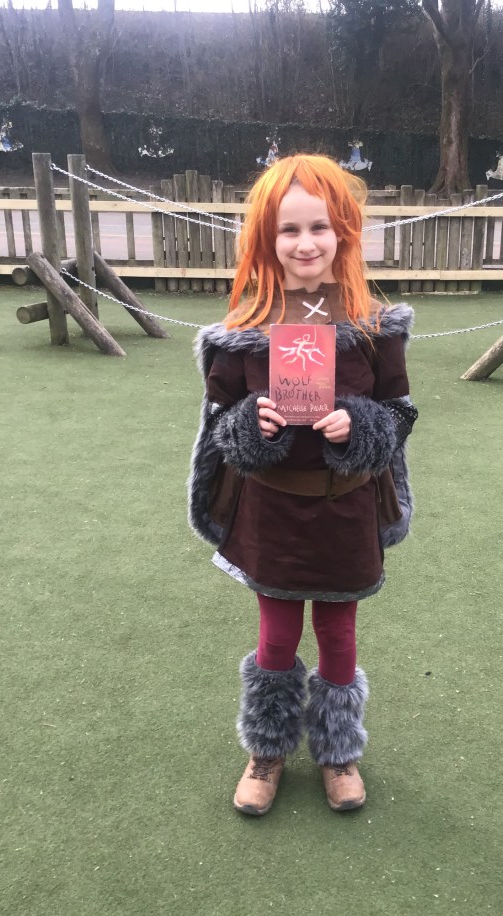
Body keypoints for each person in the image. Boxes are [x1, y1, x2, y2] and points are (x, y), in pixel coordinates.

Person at [187, 154, 418, 815]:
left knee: (339, 634)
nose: (306, 243)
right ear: (268, 237)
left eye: (319, 226)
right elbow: (218, 425)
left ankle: (338, 751)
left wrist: (360, 425)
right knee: (278, 635)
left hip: (346, 512)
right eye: (289, 229)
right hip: (273, 513)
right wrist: (251, 426)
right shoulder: (242, 332)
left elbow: (400, 414)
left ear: (343, 232)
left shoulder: (373, 327)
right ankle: (267, 750)